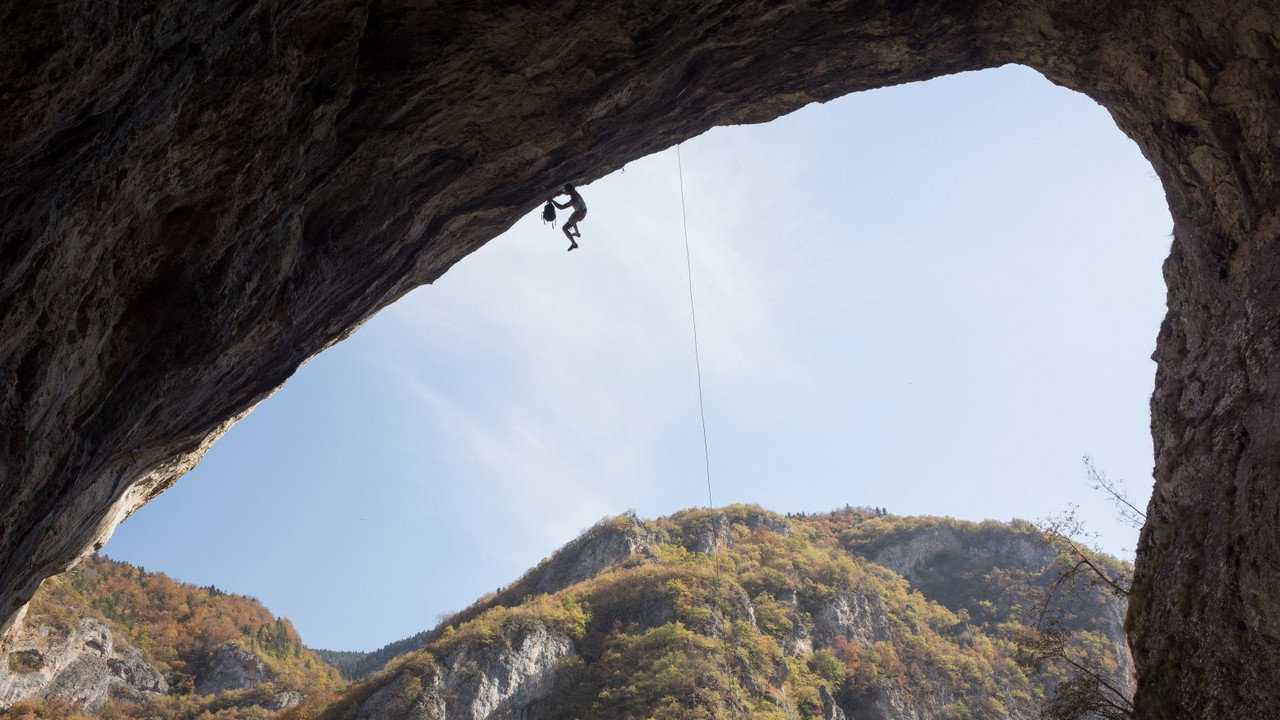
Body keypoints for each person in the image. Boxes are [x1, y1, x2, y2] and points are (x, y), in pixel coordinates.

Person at [550, 184, 587, 251]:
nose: (565, 192)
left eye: (565, 191)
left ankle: (574, 244)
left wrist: (552, 200)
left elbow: (561, 207)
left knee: (565, 228)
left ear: (568, 192)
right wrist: (561, 192)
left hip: (580, 214)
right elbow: (568, 191)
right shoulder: (574, 192)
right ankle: (577, 233)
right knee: (572, 220)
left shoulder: (573, 200)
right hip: (582, 211)